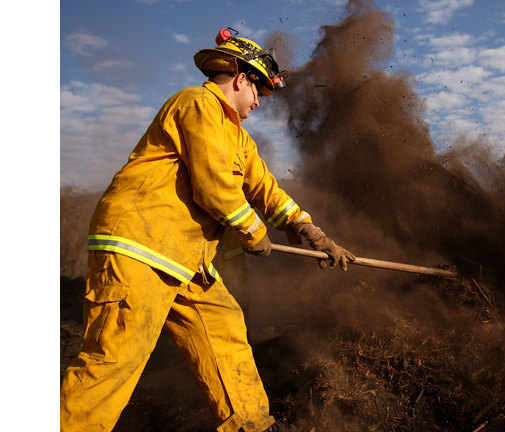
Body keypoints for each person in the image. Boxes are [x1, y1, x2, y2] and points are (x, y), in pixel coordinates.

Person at [59, 28, 355, 432]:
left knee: (225, 330)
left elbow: (266, 190)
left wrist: (315, 233)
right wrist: (253, 232)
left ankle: (252, 426)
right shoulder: (197, 104)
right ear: (241, 79)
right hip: (138, 246)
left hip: (185, 259)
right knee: (114, 358)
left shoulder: (237, 136)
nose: (258, 103)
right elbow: (214, 183)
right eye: (259, 93)